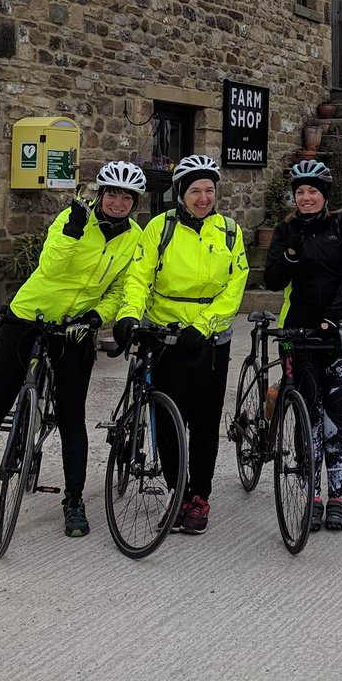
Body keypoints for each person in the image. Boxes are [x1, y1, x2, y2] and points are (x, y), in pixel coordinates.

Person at [0, 160, 147, 539]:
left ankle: (73, 500)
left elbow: (122, 289)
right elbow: (48, 268)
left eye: (127, 196)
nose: (118, 202)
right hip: (30, 316)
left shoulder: (135, 238)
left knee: (71, 416)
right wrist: (71, 233)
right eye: (112, 193)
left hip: (75, 329)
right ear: (101, 194)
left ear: (135, 202)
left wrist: (97, 317)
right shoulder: (74, 218)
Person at [112, 154, 248, 536]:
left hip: (209, 342)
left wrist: (203, 326)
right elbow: (139, 277)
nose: (203, 197)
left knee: (204, 423)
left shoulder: (230, 232)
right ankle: (177, 490)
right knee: (169, 421)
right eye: (195, 191)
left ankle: (199, 497)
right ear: (180, 194)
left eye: (209, 190)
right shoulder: (160, 227)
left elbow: (234, 287)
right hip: (165, 337)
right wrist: (128, 315)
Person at [264, 158, 342, 532]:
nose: (306, 197)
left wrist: (333, 318)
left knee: (337, 421)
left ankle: (336, 496)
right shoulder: (285, 229)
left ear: (325, 195)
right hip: (299, 333)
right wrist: (291, 254)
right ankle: (310, 494)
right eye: (300, 192)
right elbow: (274, 280)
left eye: (313, 191)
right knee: (307, 415)